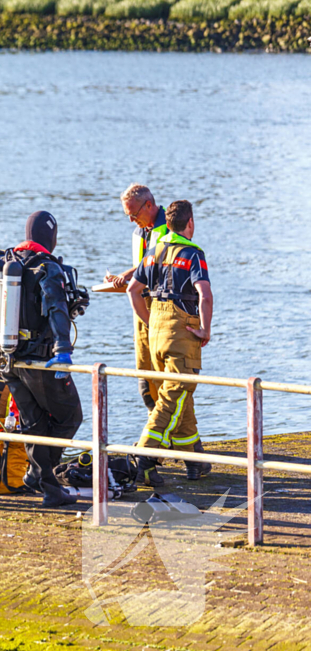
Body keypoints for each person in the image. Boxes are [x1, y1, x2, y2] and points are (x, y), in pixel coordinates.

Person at [0, 211, 85, 507]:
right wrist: (63, 350)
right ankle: (41, 476)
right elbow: (56, 308)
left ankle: (45, 485)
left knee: (34, 422)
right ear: (50, 237)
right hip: (38, 361)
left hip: (5, 360)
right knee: (70, 416)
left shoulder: (2, 263)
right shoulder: (46, 267)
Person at [127, 200, 214, 484]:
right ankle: (144, 455)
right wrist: (205, 328)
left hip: (156, 334)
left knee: (180, 396)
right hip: (181, 335)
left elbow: (133, 289)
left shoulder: (154, 250)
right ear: (190, 223)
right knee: (174, 395)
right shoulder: (192, 253)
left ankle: (194, 462)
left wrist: (149, 320)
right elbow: (205, 294)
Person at [106, 184, 168, 411]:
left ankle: (163, 436)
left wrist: (127, 275)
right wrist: (119, 280)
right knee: (145, 381)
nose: (131, 220)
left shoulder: (170, 228)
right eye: (127, 215)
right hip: (141, 309)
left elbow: (155, 265)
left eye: (133, 214)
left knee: (166, 379)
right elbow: (141, 268)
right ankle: (157, 434)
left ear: (149, 205)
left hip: (163, 311)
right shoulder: (139, 232)